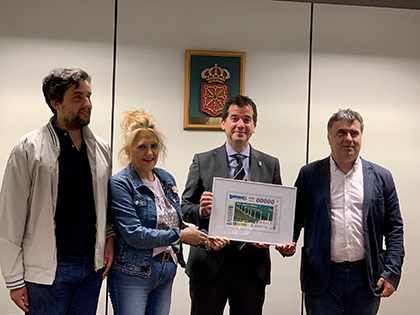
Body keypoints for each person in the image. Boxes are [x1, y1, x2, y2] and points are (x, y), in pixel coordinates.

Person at [0, 68, 114, 314]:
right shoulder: (28, 149)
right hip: (48, 274)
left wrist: (110, 237)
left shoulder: (101, 149)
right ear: (56, 103)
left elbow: (104, 205)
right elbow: (10, 216)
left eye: (89, 96)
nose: (87, 104)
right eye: (77, 97)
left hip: (91, 271)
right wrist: (13, 279)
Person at [108, 108, 228, 315]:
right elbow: (134, 234)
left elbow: (176, 224)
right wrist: (180, 235)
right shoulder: (120, 184)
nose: (150, 153)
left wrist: (206, 238)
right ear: (128, 151)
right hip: (133, 273)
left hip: (166, 270)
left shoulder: (165, 179)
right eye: (142, 147)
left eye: (154, 146)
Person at [182, 95, 293, 315]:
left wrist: (269, 239)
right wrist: (202, 210)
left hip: (252, 267)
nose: (240, 125)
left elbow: (277, 216)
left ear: (254, 126)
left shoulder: (270, 164)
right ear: (223, 123)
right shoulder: (202, 161)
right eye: (234, 118)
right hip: (209, 264)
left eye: (247, 119)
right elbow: (185, 207)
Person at [292, 108, 404, 314]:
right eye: (341, 133)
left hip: (366, 277)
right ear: (329, 138)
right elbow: (293, 218)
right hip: (321, 277)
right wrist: (287, 242)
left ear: (361, 137)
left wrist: (392, 272)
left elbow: (395, 228)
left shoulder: (381, 177)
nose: (349, 139)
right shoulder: (309, 174)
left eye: (354, 133)